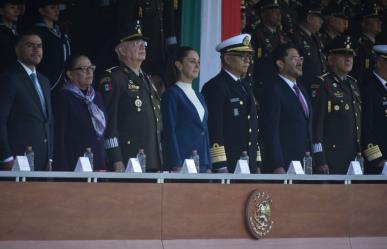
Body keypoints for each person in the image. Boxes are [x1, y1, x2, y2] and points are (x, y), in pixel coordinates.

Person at [99, 20, 163, 172]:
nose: (142, 46)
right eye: (135, 43)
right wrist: (116, 159)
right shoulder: (114, 77)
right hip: (129, 161)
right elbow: (109, 122)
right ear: (122, 50)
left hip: (153, 159)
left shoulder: (147, 79)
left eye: (143, 43)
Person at [202, 34, 261, 174]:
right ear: (227, 59)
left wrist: (257, 162)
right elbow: (215, 128)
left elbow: (253, 127)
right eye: (242, 56)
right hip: (230, 163)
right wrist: (220, 164)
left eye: (249, 56)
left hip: (248, 163)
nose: (247, 61)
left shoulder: (245, 86)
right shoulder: (215, 86)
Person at [0, 30, 53, 171]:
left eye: (39, 46)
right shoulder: (9, 78)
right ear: (17, 50)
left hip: (43, 161)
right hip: (17, 160)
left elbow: (49, 121)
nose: (36, 49)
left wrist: (50, 157)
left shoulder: (44, 81)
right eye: (30, 45)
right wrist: (6, 157)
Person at [311, 35, 362, 174]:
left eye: (351, 55)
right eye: (343, 55)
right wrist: (320, 158)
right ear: (331, 59)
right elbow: (317, 124)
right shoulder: (322, 83)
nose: (348, 59)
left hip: (353, 157)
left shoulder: (353, 84)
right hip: (331, 157)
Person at [261, 43, 313, 173]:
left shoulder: (301, 88)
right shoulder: (273, 89)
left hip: (306, 163)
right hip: (286, 165)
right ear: (280, 63)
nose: (300, 62)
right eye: (294, 58)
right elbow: (271, 131)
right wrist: (277, 165)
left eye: (300, 58)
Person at [53, 54, 107, 171]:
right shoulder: (64, 97)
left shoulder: (96, 97)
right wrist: (62, 169)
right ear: (70, 74)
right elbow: (59, 135)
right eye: (83, 68)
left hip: (98, 162)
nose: (89, 72)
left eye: (91, 68)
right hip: (75, 164)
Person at [161, 47, 212, 173]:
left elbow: (204, 130)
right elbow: (169, 130)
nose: (197, 65)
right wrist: (176, 163)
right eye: (192, 61)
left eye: (198, 62)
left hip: (202, 162)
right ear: (179, 65)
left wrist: (209, 163)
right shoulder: (172, 93)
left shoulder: (199, 95)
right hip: (182, 163)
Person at [251, 0, 289, 100]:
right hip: (264, 84)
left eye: (279, 12)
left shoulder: (282, 35)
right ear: (264, 14)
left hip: (281, 83)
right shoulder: (256, 34)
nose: (278, 15)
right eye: (274, 12)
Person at [32, 0, 71, 93]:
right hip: (47, 83)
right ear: (41, 11)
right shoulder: (36, 33)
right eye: (52, 8)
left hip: (64, 83)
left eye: (58, 7)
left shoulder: (60, 32)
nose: (57, 11)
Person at [361, 45, 387, 174]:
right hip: (379, 164)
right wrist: (376, 159)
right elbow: (365, 128)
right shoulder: (368, 88)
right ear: (378, 63)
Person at [291, 4, 326, 95]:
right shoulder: (295, 36)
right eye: (319, 18)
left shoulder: (314, 37)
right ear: (309, 18)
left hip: (318, 84)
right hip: (304, 83)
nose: (322, 22)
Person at [352, 3, 382, 84]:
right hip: (365, 86)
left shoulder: (379, 45)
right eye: (375, 20)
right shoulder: (359, 44)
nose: (379, 23)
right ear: (364, 24)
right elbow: (358, 72)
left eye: (379, 21)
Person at [0, 0, 20, 73]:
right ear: (1, 11)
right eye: (12, 8)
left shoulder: (19, 33)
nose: (16, 11)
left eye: (17, 8)